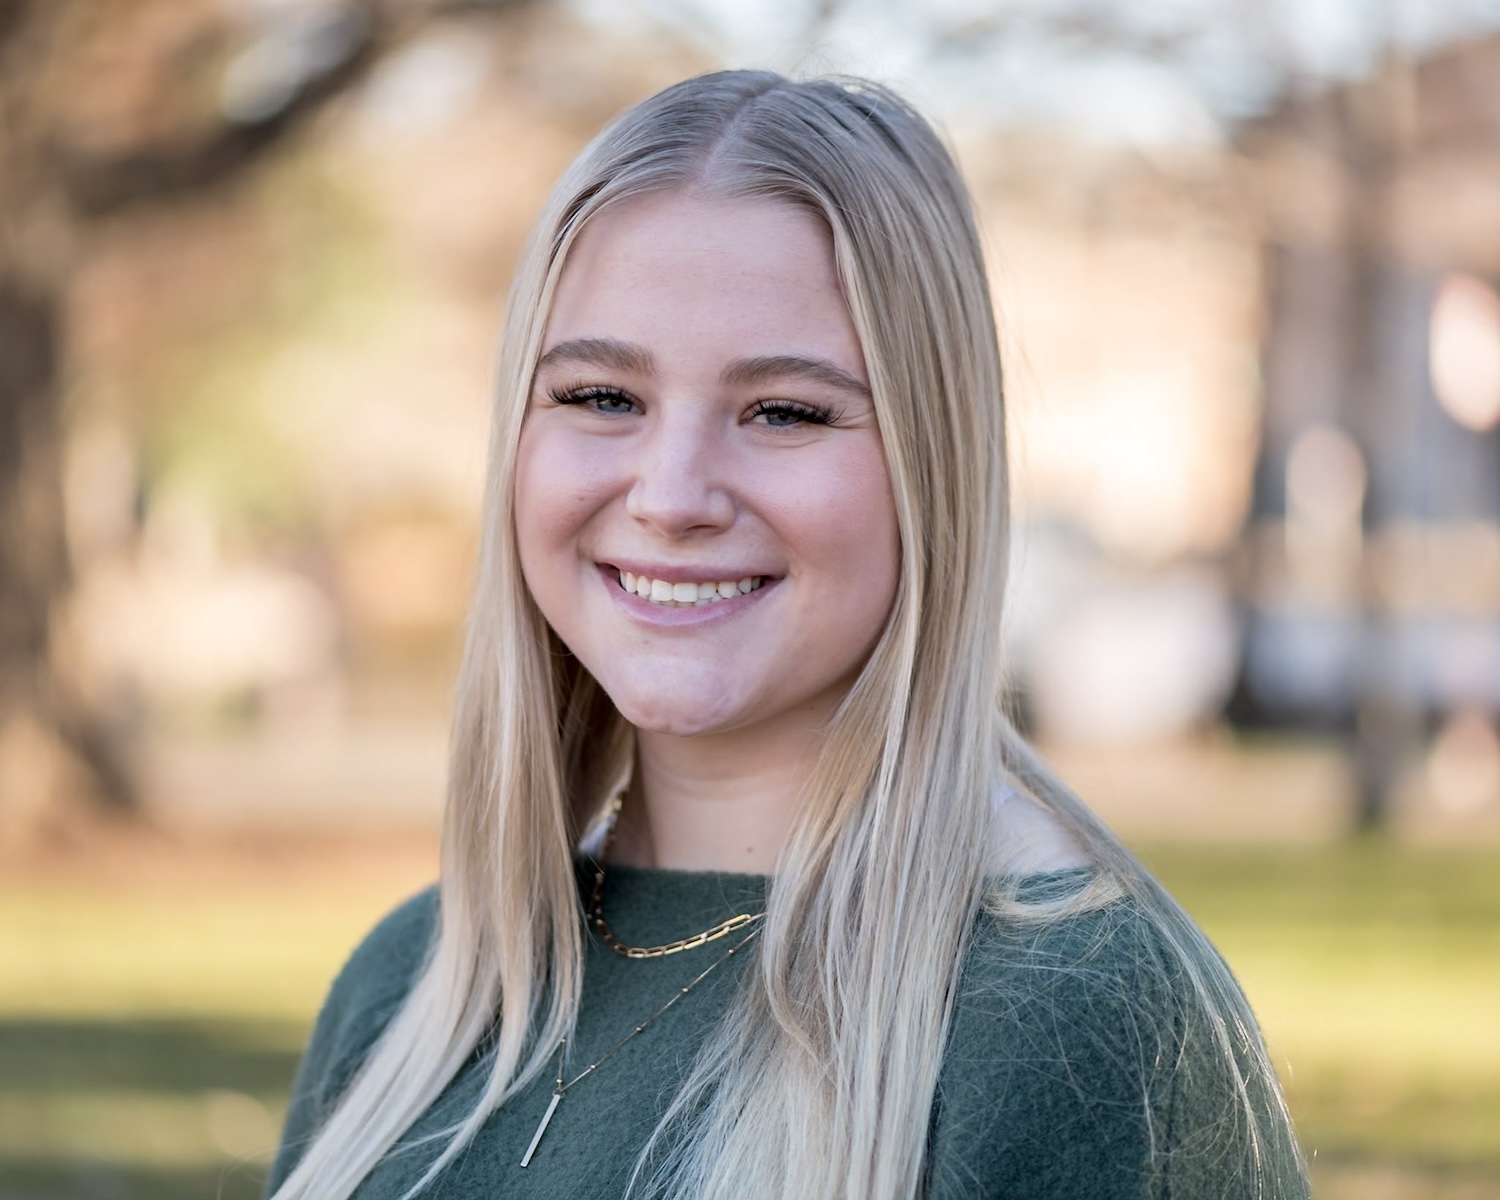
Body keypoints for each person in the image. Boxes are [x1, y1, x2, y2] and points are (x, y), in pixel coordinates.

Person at [265, 70, 1309, 1200]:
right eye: (602, 396)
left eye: (786, 411)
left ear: (932, 468)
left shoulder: (1078, 1024)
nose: (672, 495)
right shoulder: (410, 991)